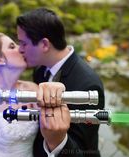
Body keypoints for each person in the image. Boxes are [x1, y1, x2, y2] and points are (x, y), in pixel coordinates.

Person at [17, 8, 105, 157]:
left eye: (24, 43)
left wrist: (57, 141)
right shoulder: (40, 69)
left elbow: (83, 151)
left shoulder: (88, 85)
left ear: (44, 44)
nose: (20, 49)